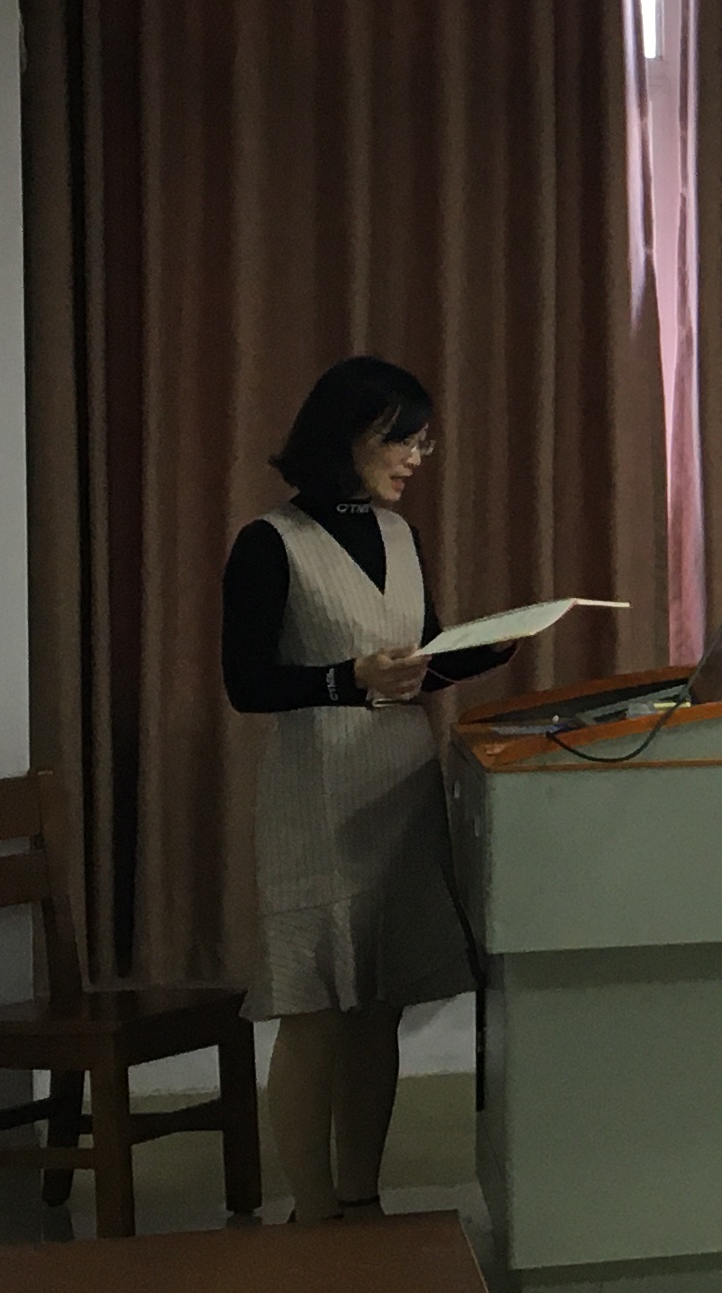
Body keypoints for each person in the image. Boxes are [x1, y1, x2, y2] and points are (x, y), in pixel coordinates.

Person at [222, 357, 519, 1224]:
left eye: (425, 442)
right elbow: (246, 684)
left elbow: (415, 661)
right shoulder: (270, 542)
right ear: (349, 435)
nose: (418, 457)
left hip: (397, 778)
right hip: (315, 789)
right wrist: (345, 678)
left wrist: (487, 647)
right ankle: (313, 1211)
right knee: (315, 1006)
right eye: (404, 439)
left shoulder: (398, 536)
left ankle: (361, 1197)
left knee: (378, 1002)